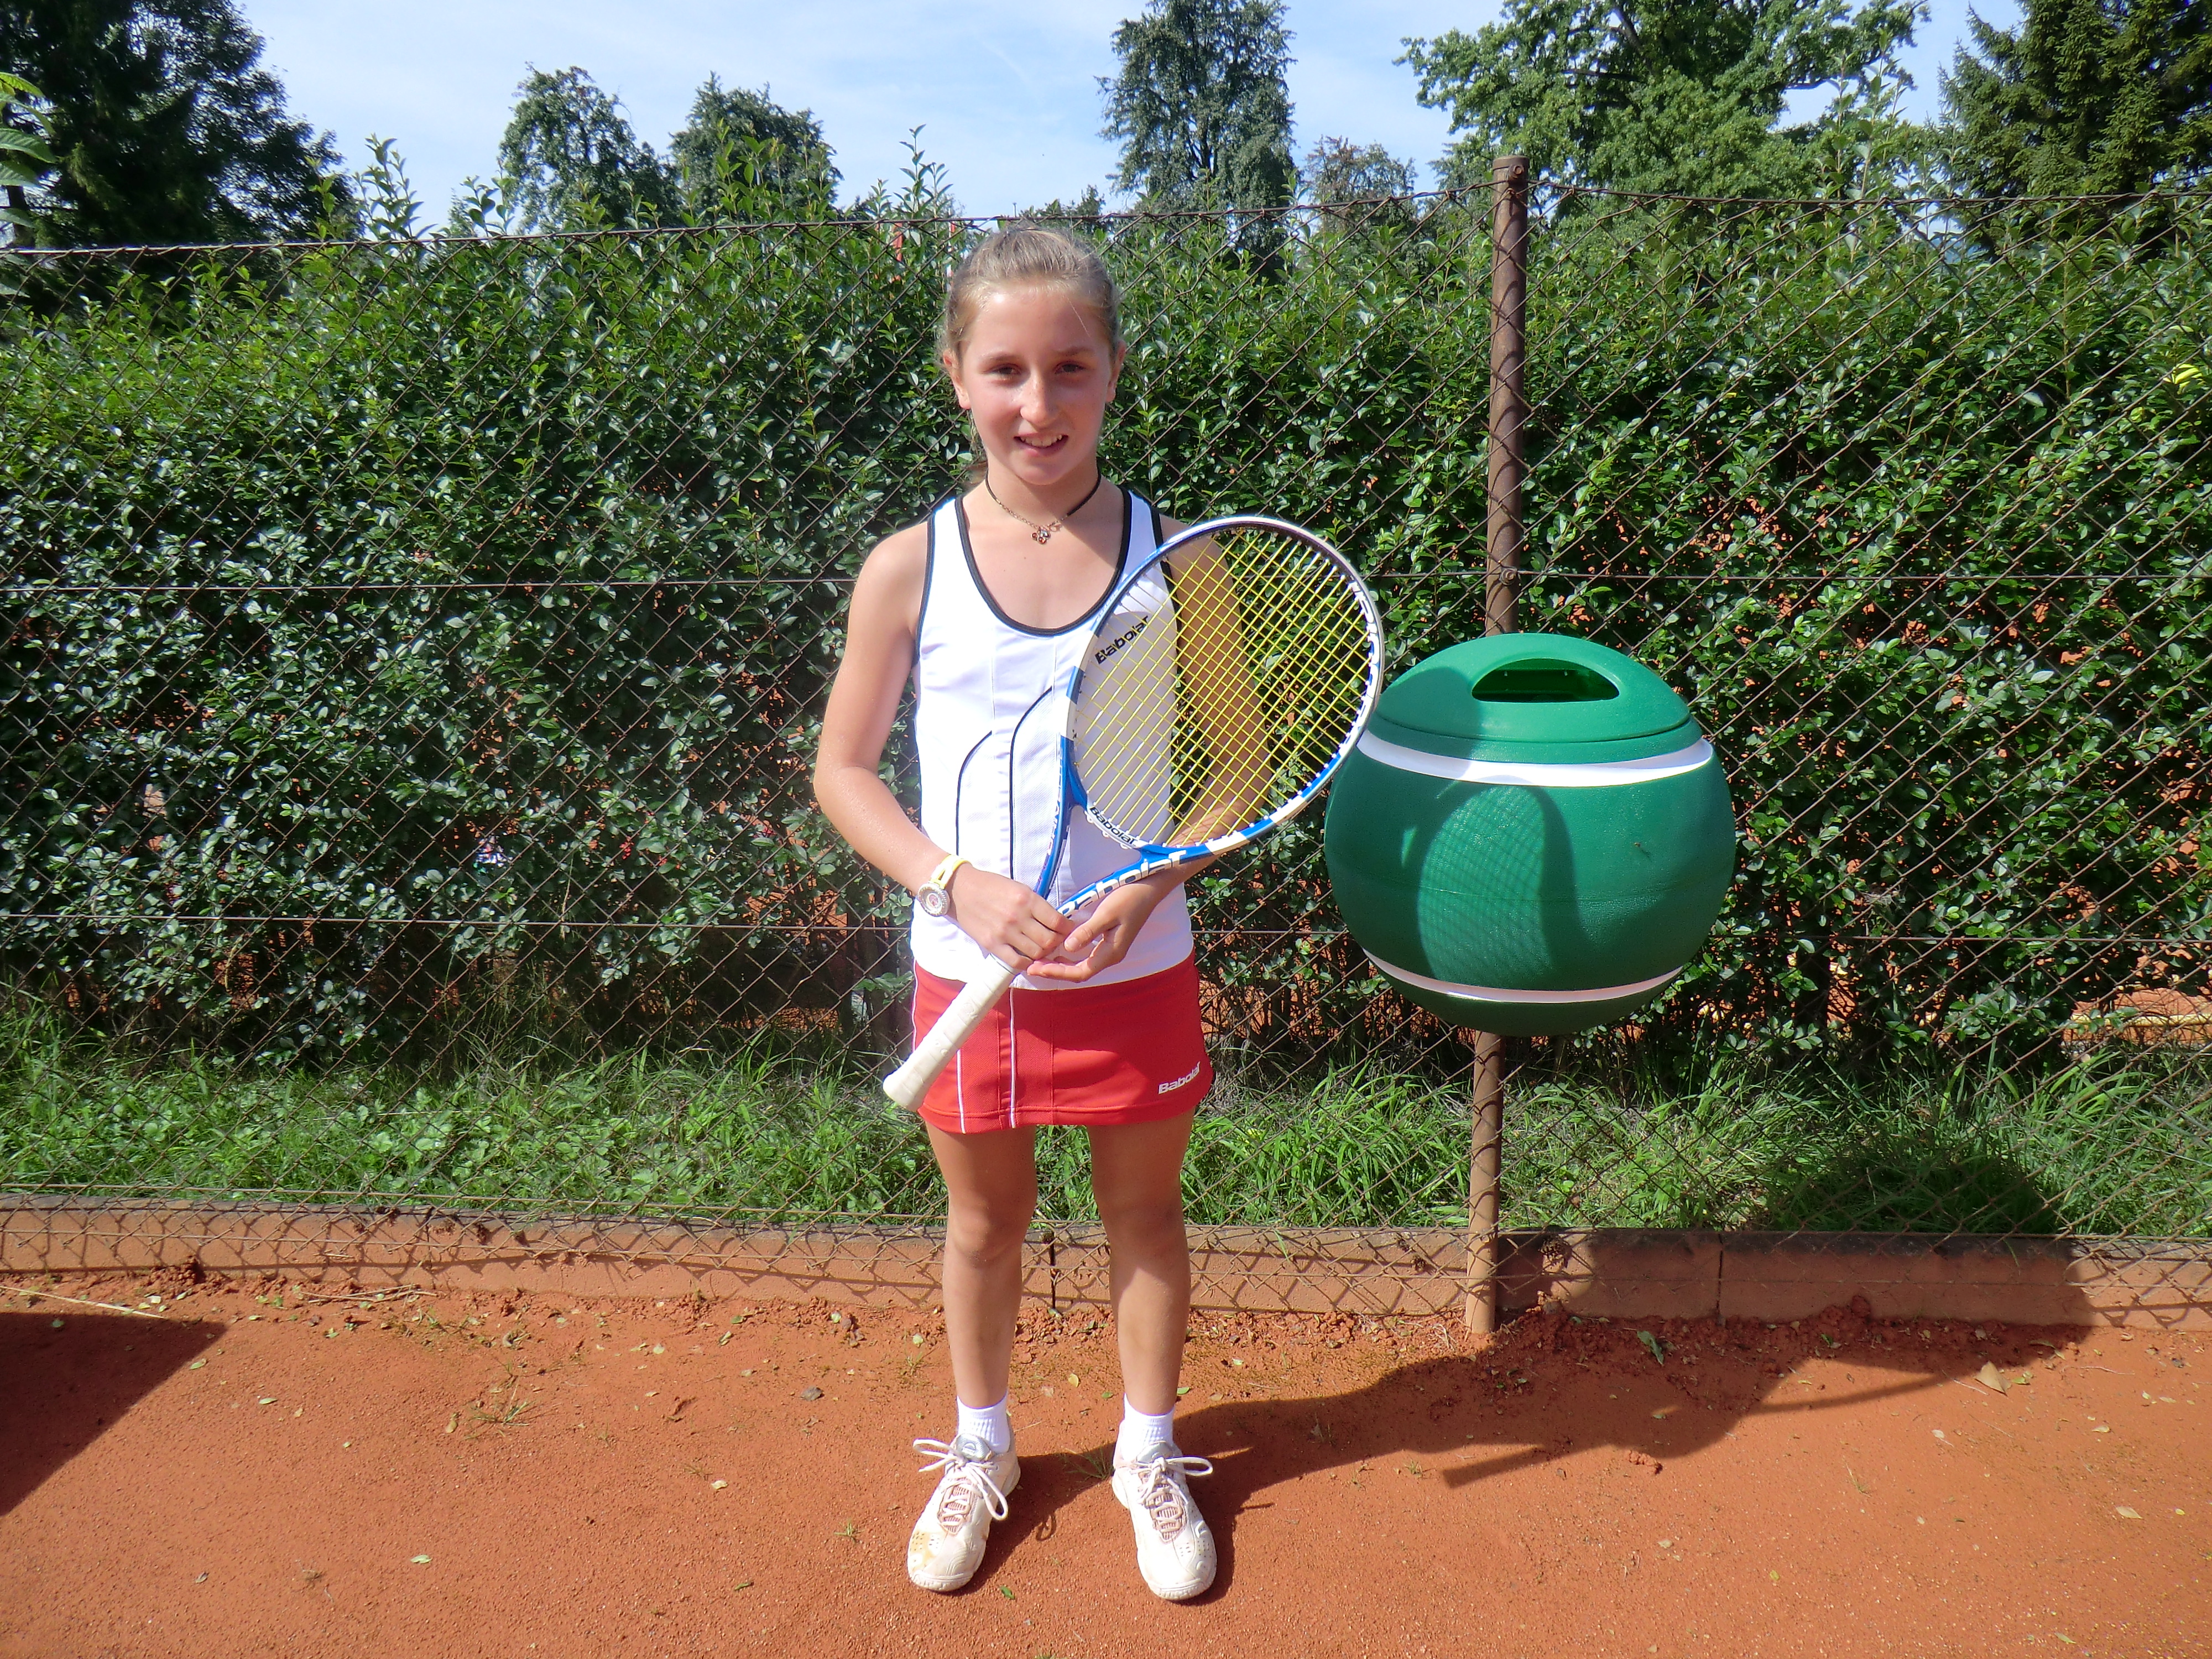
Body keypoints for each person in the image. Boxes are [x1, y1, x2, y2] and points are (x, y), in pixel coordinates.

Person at [812, 225, 1217, 1603]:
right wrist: (954, 883)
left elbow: (1232, 770)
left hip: (1137, 968)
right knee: (982, 1229)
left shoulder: (1183, 557)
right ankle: (981, 1447)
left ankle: (1146, 1455)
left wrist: (1154, 877)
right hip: (963, 972)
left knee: (1142, 1217)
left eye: (1069, 367)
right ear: (955, 376)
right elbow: (842, 771)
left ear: (1113, 371)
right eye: (1004, 371)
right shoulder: (906, 566)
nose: (1037, 404)